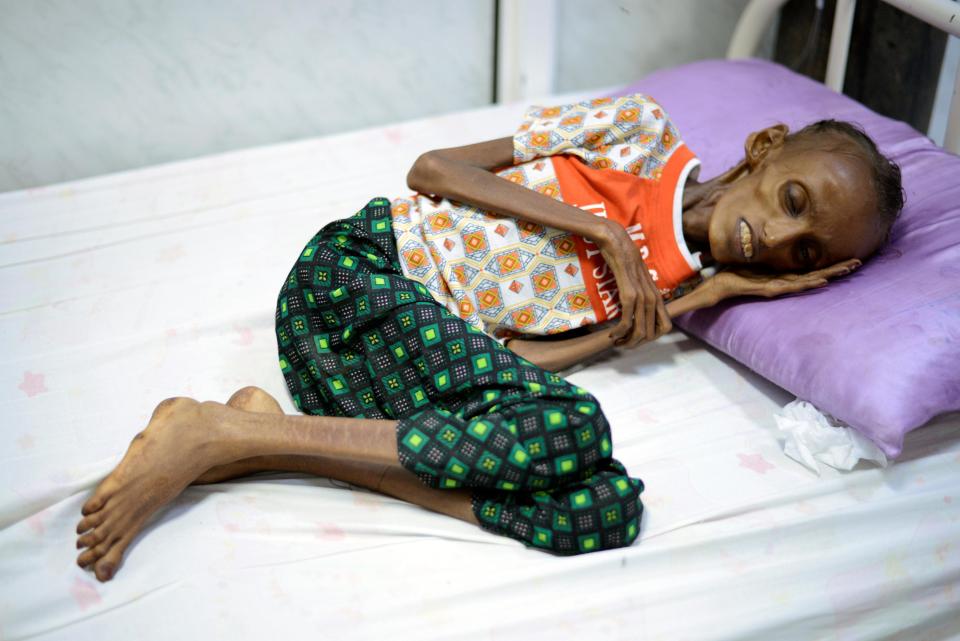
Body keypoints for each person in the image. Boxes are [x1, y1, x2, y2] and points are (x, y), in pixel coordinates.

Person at [74, 93, 903, 581]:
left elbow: (502, 365)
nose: (776, 236)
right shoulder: (637, 131)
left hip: (365, 371)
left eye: (806, 251)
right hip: (357, 275)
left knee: (608, 509)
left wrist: (688, 303)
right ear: (763, 152)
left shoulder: (675, 290)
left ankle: (253, 435)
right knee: (576, 427)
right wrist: (604, 231)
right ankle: (217, 430)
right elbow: (432, 169)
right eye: (792, 201)